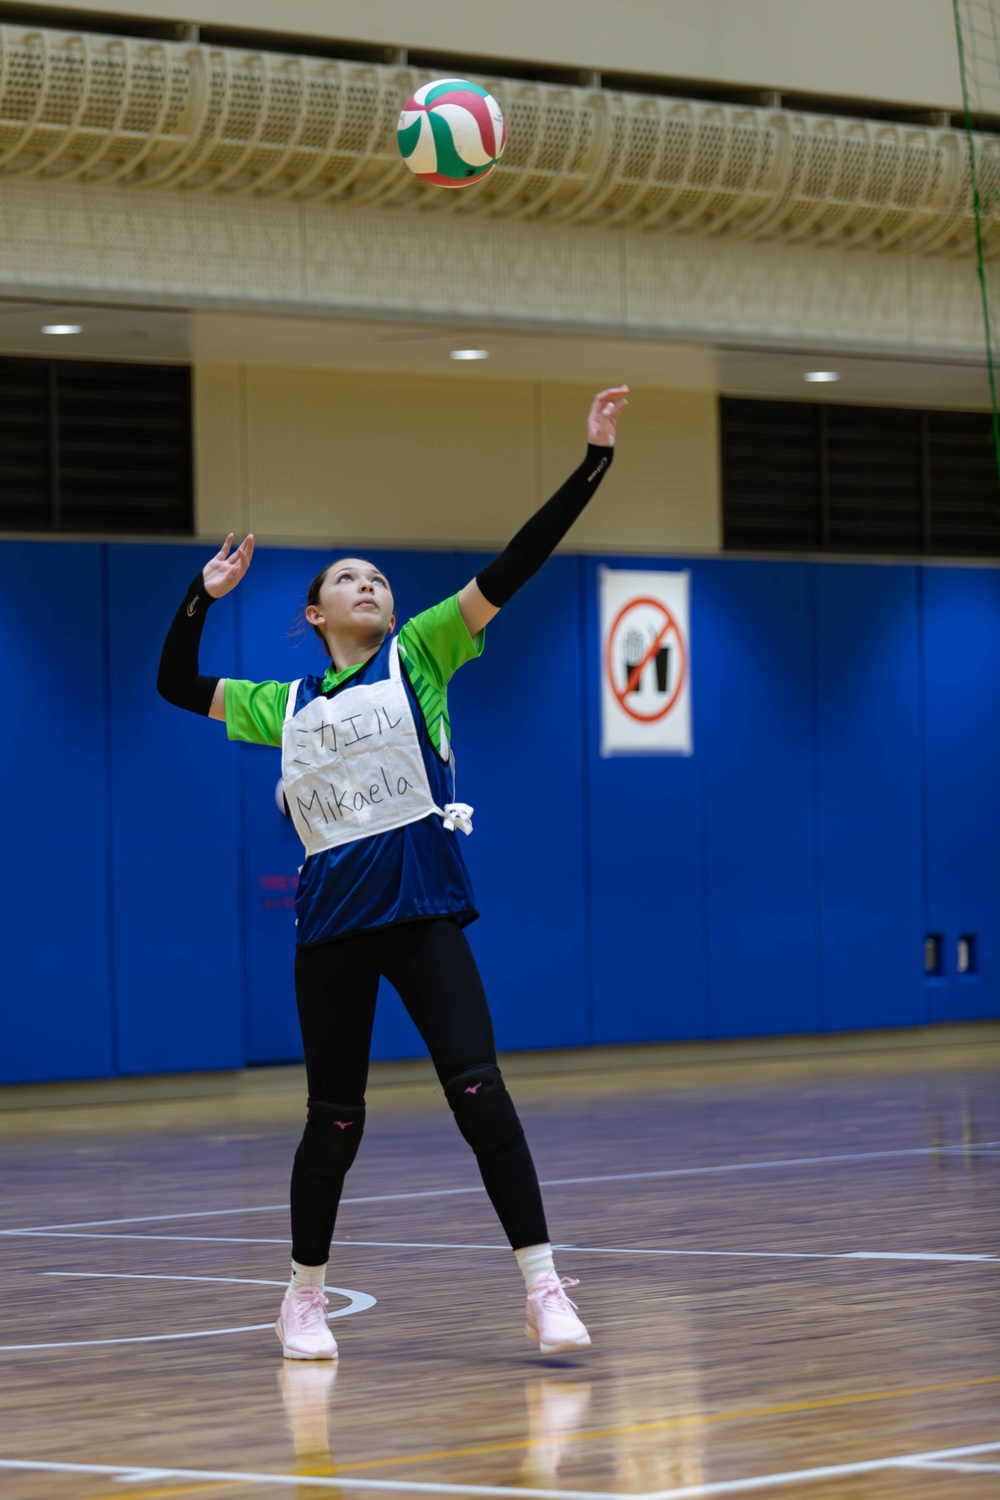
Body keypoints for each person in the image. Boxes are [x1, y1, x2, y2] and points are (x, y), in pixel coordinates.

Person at [157, 385, 628, 1359]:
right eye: (348, 577)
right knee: (333, 1120)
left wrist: (591, 462)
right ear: (315, 610)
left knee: (479, 1093)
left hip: (422, 911)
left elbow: (517, 563)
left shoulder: (421, 653)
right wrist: (201, 595)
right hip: (331, 926)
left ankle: (544, 1289)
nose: (370, 583)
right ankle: (301, 1298)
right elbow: (173, 682)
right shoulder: (277, 704)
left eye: (378, 576)